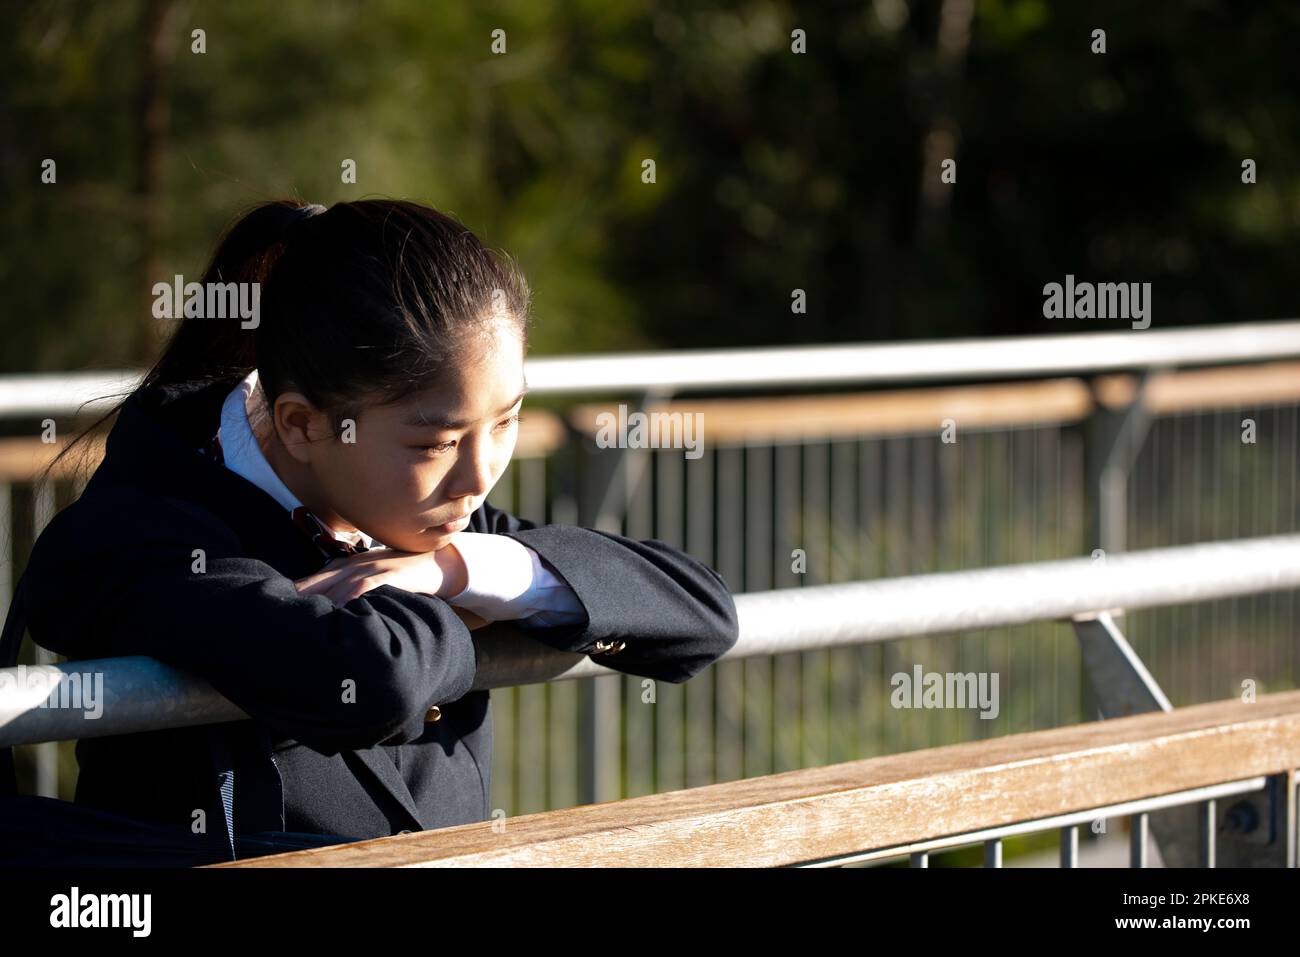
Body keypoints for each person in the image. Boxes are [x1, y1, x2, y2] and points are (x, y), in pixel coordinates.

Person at [3, 199, 739, 861]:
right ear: (300, 424)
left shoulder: (423, 517)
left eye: (508, 420)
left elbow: (702, 614)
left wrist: (460, 571)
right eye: (435, 442)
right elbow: (368, 677)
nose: (479, 474)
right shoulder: (143, 531)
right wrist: (461, 608)